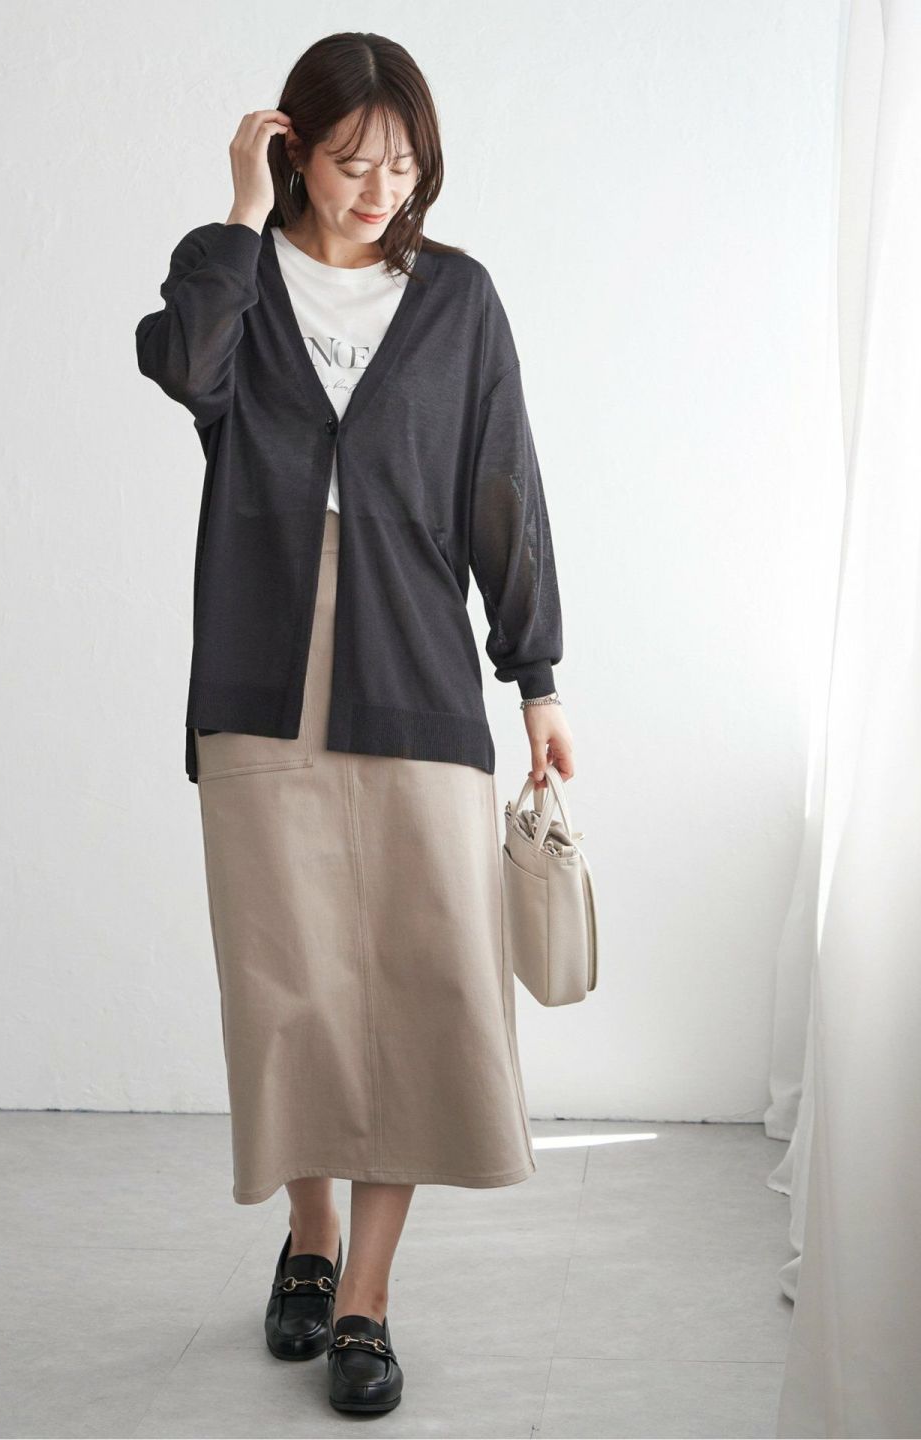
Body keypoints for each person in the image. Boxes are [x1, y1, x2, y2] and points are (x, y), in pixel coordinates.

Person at [134, 30, 574, 1417]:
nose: (380, 187)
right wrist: (237, 212)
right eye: (348, 160)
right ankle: (309, 1240)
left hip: (416, 671)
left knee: (422, 979)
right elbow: (183, 365)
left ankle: (368, 1300)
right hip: (260, 671)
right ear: (293, 153)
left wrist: (538, 679)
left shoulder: (459, 299)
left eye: (403, 162)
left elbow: (504, 487)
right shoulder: (236, 282)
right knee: (293, 981)